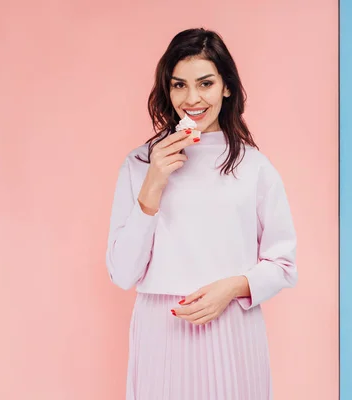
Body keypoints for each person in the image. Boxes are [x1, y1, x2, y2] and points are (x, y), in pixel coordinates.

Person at [105, 28, 297, 400]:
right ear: (168, 89)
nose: (192, 98)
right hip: (161, 332)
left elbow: (283, 264)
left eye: (205, 83)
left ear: (226, 87)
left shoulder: (254, 167)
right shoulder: (139, 164)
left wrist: (231, 288)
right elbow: (122, 272)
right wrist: (153, 182)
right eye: (179, 85)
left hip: (232, 329)